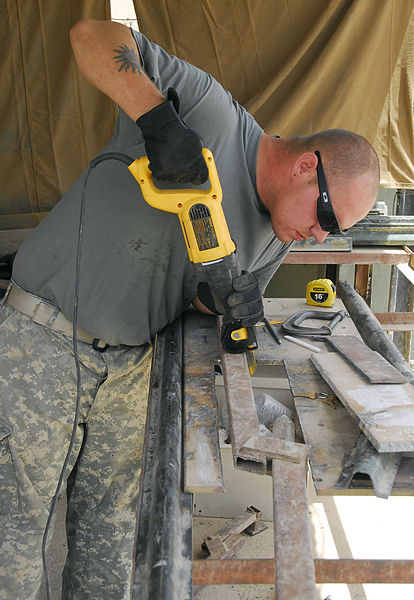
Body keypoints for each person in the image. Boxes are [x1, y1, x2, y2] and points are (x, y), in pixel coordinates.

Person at [0, 18, 380, 600]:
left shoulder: (281, 233)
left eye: (333, 233)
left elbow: (200, 298)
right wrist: (158, 121)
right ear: (308, 166)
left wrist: (225, 303)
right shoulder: (210, 115)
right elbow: (90, 36)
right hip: (44, 337)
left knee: (110, 533)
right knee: (14, 533)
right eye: (326, 218)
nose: (318, 236)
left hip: (129, 364)